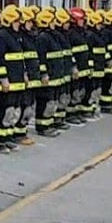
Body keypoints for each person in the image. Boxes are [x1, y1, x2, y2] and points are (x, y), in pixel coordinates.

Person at [0, 6, 27, 154]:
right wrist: (3, 78)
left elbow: (20, 57)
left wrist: (24, 74)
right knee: (4, 112)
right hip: (7, 83)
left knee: (14, 112)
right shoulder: (1, 36)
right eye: (17, 21)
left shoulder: (16, 36)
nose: (19, 23)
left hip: (17, 81)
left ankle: (9, 137)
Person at [32, 8, 63, 137]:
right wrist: (44, 74)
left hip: (55, 76)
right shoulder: (43, 38)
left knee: (52, 102)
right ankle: (42, 126)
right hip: (48, 77)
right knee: (45, 102)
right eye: (52, 21)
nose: (54, 23)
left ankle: (49, 125)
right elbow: (41, 58)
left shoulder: (53, 36)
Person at [14, 5, 40, 145]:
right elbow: (21, 58)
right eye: (29, 22)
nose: (31, 24)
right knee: (23, 106)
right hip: (25, 77)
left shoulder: (31, 36)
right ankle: (18, 133)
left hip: (33, 75)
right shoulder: (21, 38)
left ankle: (22, 131)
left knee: (29, 106)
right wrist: (25, 73)